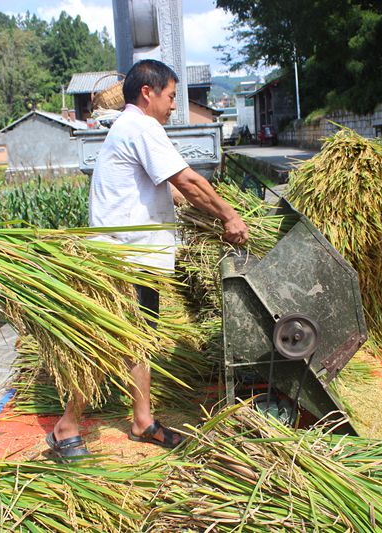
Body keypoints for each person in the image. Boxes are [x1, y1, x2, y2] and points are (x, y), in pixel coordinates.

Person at [47, 59, 249, 457]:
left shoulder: (129, 128)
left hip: (136, 257)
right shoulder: (141, 126)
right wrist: (228, 214)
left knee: (139, 341)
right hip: (124, 257)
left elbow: (165, 188)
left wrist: (197, 212)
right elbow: (186, 180)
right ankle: (65, 426)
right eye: (171, 96)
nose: (174, 104)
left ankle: (143, 421)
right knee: (110, 340)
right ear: (148, 92)